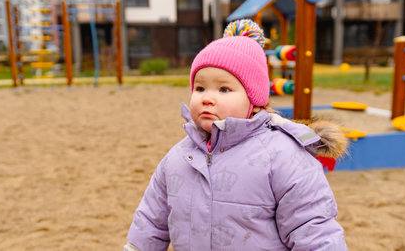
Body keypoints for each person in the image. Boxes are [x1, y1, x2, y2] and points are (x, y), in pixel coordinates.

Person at [124, 19, 348, 251]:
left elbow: (312, 226)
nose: (207, 98)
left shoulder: (283, 156)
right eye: (200, 88)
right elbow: (152, 219)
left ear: (254, 100)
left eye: (224, 89)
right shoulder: (179, 157)